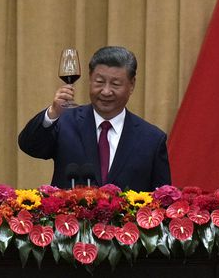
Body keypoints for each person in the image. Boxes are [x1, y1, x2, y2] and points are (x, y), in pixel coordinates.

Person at [18, 46, 171, 191]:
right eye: (99, 82)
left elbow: (163, 200)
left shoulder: (151, 140)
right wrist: (52, 113)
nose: (105, 91)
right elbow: (29, 146)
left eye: (115, 84)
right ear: (90, 78)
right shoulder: (65, 122)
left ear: (131, 85)